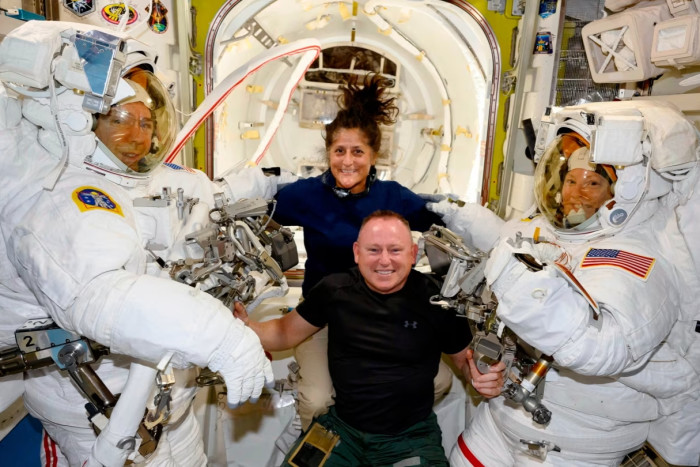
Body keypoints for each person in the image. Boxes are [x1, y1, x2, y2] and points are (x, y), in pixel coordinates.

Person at [0, 21, 294, 466]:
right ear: (80, 118)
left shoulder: (123, 177)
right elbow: (101, 294)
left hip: (163, 407)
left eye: (146, 122)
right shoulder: (59, 196)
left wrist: (282, 181)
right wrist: (224, 340)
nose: (140, 138)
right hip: (99, 416)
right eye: (122, 121)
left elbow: (211, 194)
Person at [428, 102, 700, 466]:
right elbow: (502, 240)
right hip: (501, 420)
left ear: (620, 193)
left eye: (593, 182)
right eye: (571, 180)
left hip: (572, 442)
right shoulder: (543, 227)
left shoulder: (637, 257)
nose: (577, 192)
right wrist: (453, 212)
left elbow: (602, 346)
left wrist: (522, 286)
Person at [234, 210, 505, 466]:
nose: (384, 260)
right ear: (357, 253)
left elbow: (465, 362)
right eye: (373, 250)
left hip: (409, 438)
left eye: (395, 250)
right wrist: (243, 326)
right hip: (341, 431)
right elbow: (283, 333)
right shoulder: (335, 290)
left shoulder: (437, 301)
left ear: (412, 254)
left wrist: (481, 377)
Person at [269, 74, 450, 431]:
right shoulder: (304, 196)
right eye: (339, 151)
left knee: (439, 381)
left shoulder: (393, 198)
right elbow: (259, 208)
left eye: (357, 152)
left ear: (373, 155)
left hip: (383, 316)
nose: (347, 161)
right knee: (318, 400)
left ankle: (380, 437)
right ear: (328, 153)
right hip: (320, 316)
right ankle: (327, 446)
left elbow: (442, 219)